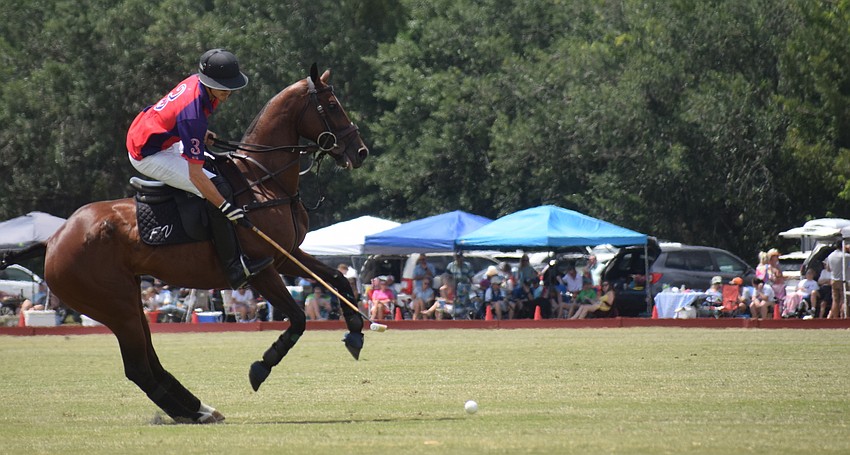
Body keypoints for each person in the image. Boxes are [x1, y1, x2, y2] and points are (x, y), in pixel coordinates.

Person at [126, 48, 273, 290]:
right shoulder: (192, 114)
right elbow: (196, 175)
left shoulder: (198, 84)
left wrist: (199, 135)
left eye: (231, 86)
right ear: (208, 82)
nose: (228, 92)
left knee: (219, 171)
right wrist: (225, 207)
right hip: (148, 153)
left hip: (160, 136)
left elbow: (171, 117)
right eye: (223, 86)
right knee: (217, 191)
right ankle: (234, 268)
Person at [445, 252, 475, 319]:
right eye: (457, 257)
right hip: (454, 286)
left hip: (465, 286)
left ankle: (466, 317)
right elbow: (447, 277)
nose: (458, 259)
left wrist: (471, 288)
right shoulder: (450, 266)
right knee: (456, 303)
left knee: (465, 303)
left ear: (462, 257)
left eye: (460, 257)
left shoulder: (467, 266)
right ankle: (455, 317)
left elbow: (471, 278)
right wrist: (449, 286)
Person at [825, 242, 850, 319]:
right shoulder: (847, 256)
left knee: (835, 300)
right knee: (844, 299)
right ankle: (844, 316)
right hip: (844, 280)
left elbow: (828, 269)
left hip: (834, 280)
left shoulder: (830, 256)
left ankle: (835, 317)